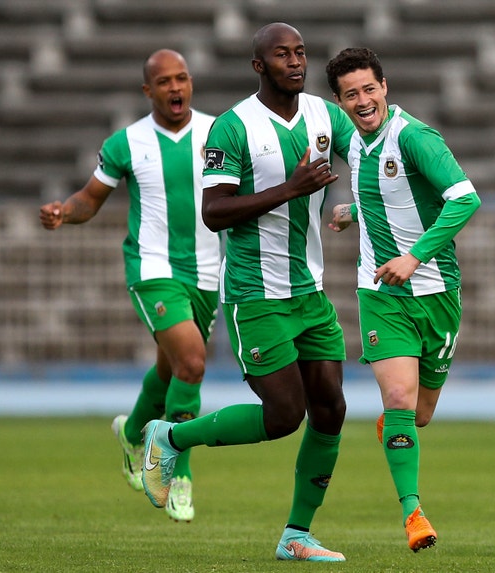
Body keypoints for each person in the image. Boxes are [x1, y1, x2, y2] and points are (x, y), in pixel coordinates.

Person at [140, 23, 354, 562]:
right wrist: (291, 188)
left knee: (330, 410)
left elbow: (371, 153)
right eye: (282, 54)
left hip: (310, 293)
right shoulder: (234, 128)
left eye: (301, 52)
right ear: (259, 65)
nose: (296, 61)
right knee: (284, 416)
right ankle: (169, 438)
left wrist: (356, 202)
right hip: (256, 297)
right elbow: (215, 212)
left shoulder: (326, 117)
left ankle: (296, 536)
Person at [39, 49, 219, 523]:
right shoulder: (128, 142)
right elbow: (89, 199)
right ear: (148, 91)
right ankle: (177, 472)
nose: (176, 88)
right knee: (193, 362)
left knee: (172, 367)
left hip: (208, 271)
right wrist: (64, 212)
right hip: (152, 267)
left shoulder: (219, 133)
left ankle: (134, 431)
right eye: (164, 82)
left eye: (182, 79)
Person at [325, 47, 482, 552]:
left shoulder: (415, 138)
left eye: (369, 89)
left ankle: (398, 431)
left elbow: (465, 198)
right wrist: (353, 212)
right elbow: (385, 197)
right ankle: (414, 514)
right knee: (397, 399)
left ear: (385, 87)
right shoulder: (355, 143)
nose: (362, 100)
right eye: (351, 94)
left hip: (436, 291)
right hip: (381, 293)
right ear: (340, 101)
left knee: (418, 413)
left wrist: (414, 257)